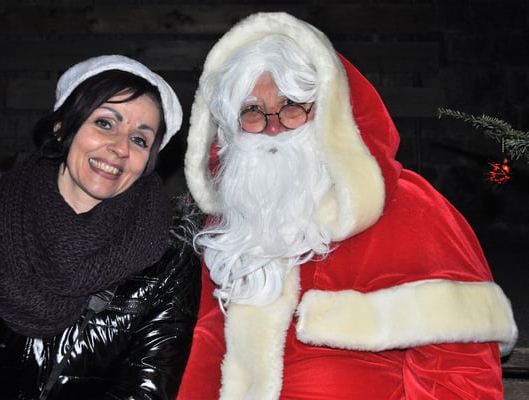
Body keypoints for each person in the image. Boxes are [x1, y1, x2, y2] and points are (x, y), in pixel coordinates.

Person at [176, 12, 518, 400]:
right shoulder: (230, 230)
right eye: (252, 111)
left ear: (330, 115)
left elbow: (461, 376)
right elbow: (203, 356)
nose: (272, 127)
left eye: (293, 106)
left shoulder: (412, 211)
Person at [0, 54, 202, 400]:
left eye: (139, 140)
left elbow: (144, 390)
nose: (120, 148)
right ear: (62, 127)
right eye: (105, 123)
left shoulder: (168, 259)